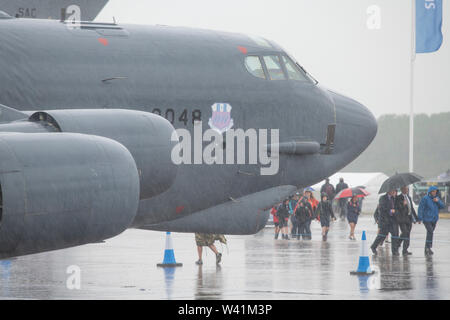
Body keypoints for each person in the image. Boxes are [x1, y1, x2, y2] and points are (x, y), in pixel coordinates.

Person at [371, 189, 400, 256]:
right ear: (388, 191)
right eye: (393, 190)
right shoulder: (382, 198)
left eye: (395, 191)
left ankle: (394, 251)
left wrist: (395, 211)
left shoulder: (395, 198)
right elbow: (382, 208)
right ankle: (373, 246)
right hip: (385, 220)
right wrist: (390, 211)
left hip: (393, 220)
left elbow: (397, 208)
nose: (394, 192)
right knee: (381, 236)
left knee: (395, 235)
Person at [418, 186, 445, 256]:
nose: (434, 192)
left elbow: (442, 206)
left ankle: (427, 248)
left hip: (434, 219)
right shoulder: (425, 198)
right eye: (433, 191)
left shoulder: (436, 198)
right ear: (430, 192)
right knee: (430, 232)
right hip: (427, 219)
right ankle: (428, 247)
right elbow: (420, 208)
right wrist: (420, 218)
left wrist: (438, 201)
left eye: (435, 191)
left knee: (430, 233)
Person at [395, 186, 419, 255]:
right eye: (405, 189)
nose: (406, 190)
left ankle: (405, 250)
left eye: (407, 189)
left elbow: (411, 208)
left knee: (407, 234)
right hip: (402, 219)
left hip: (409, 218)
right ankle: (398, 244)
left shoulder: (409, 197)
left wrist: (417, 218)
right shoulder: (398, 197)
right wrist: (403, 204)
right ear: (402, 189)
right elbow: (398, 208)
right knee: (405, 233)